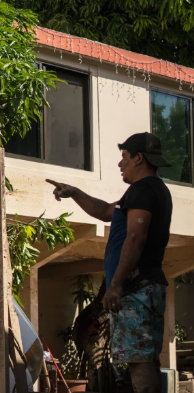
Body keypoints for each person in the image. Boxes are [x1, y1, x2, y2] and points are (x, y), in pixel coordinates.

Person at [46, 132, 173, 393]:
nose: (120, 163)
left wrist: (116, 284)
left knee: (139, 361)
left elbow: (136, 237)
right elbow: (105, 211)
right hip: (141, 287)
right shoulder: (143, 192)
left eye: (124, 157)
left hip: (137, 288)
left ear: (139, 158)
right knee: (139, 358)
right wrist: (75, 192)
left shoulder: (143, 189)